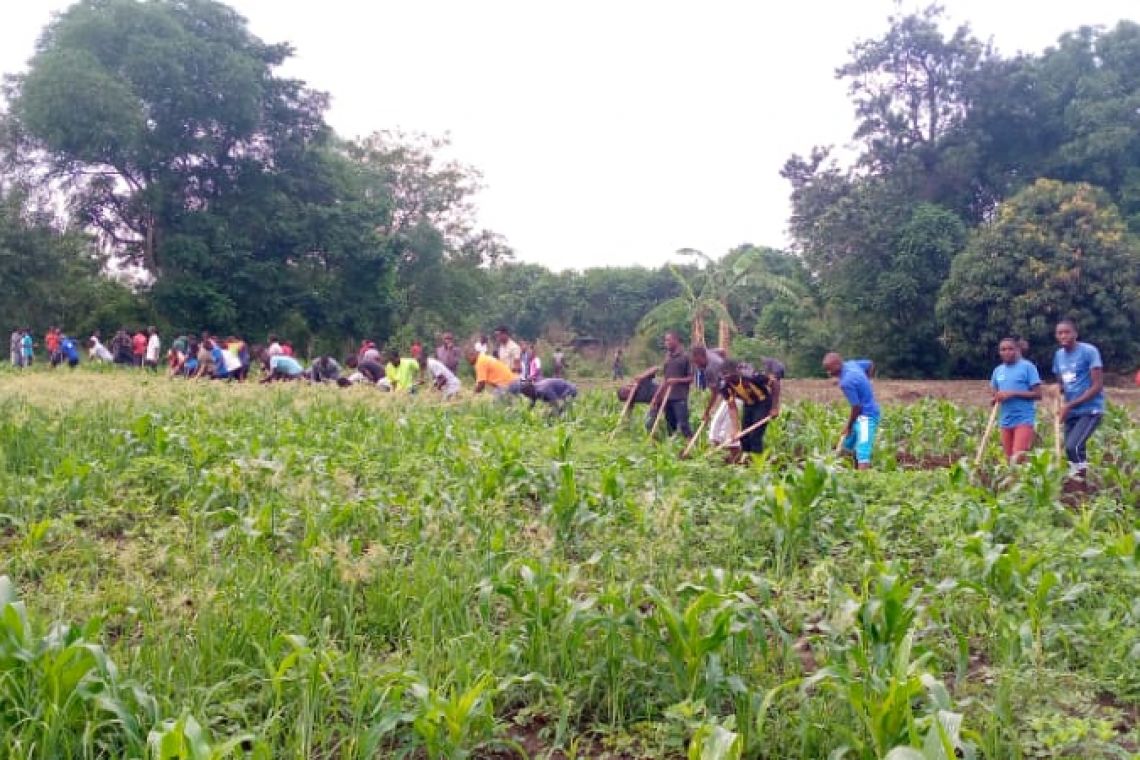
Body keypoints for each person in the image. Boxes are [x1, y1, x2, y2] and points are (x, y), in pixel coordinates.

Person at [1052, 319, 1105, 479]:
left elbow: (1097, 386)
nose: (1063, 336)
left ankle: (1079, 480)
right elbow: (1061, 382)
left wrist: (1069, 405)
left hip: (1090, 409)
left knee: (1072, 446)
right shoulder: (1058, 355)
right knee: (1075, 451)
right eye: (1059, 333)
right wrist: (1057, 388)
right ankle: (1080, 485)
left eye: (1067, 332)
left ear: (1075, 333)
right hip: (1071, 411)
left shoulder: (1089, 352)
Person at [823, 352, 879, 470]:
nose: (828, 373)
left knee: (863, 451)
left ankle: (862, 482)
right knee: (847, 444)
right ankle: (840, 470)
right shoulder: (852, 365)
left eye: (829, 369)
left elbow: (856, 407)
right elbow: (870, 364)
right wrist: (868, 380)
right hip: (861, 416)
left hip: (866, 417)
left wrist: (848, 426)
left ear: (838, 365)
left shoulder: (846, 383)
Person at [990, 337, 1042, 464]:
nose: (1006, 352)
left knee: (1017, 458)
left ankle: (1020, 482)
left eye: (1010, 349)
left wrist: (1013, 393)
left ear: (1017, 350)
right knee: (1008, 459)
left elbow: (1038, 394)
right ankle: (1013, 482)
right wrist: (995, 398)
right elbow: (995, 392)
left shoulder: (1028, 367)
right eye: (1003, 349)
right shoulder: (998, 371)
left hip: (1023, 419)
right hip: (1005, 420)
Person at [717, 360, 776, 462]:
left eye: (727, 374)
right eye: (723, 375)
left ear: (735, 372)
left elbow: (775, 383)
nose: (725, 378)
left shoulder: (751, 376)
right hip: (748, 405)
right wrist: (735, 429)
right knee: (743, 436)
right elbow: (732, 407)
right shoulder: (725, 386)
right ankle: (747, 460)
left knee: (755, 435)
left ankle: (757, 462)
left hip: (763, 402)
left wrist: (775, 407)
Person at [645, 331, 693, 438]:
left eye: (668, 340)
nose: (666, 343)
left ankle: (691, 446)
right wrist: (657, 397)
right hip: (667, 398)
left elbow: (691, 378)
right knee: (670, 426)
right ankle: (673, 447)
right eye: (665, 340)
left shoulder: (685, 357)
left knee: (684, 425)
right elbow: (665, 380)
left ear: (676, 341)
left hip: (680, 397)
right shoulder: (668, 359)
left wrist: (677, 380)